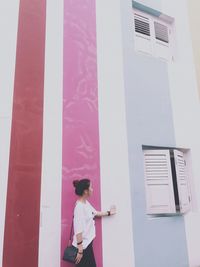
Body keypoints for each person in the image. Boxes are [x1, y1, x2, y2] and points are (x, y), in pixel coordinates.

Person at [72, 178, 116, 267]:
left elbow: (95, 213)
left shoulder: (85, 203)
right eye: (91, 187)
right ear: (85, 191)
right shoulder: (79, 207)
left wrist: (109, 213)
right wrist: (80, 250)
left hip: (87, 245)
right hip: (83, 247)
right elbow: (78, 230)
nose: (92, 189)